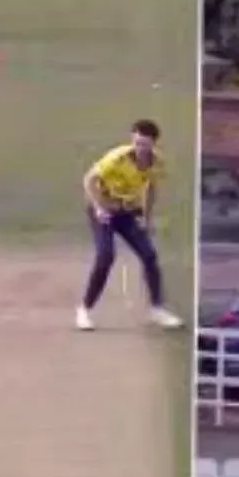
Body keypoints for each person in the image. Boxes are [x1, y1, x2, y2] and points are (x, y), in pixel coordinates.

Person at [77, 119, 184, 331]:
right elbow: (89, 179)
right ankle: (84, 310)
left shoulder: (157, 162)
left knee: (149, 255)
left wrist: (147, 217)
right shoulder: (117, 158)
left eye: (145, 144)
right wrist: (100, 207)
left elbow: (152, 188)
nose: (140, 148)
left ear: (154, 143)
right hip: (104, 209)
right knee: (106, 256)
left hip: (128, 211)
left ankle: (157, 309)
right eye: (137, 143)